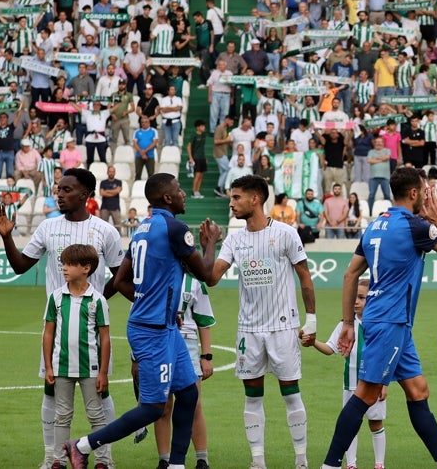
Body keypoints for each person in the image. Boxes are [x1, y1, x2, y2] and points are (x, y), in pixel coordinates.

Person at [62, 173, 218, 469]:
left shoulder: (143, 228)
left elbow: (120, 280)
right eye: (179, 189)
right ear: (167, 198)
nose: (184, 194)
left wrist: (151, 302)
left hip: (163, 326)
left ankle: (176, 464)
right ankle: (81, 445)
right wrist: (210, 243)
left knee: (188, 394)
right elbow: (207, 274)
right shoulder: (175, 228)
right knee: (152, 408)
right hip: (153, 332)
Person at [318, 166, 437, 469]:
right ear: (413, 193)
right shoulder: (417, 227)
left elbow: (350, 274)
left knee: (418, 389)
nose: (426, 196)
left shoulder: (374, 226)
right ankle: (331, 465)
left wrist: (347, 323)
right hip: (391, 320)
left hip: (385, 319)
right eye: (423, 191)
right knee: (365, 395)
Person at [0, 168, 124, 469]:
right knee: (51, 391)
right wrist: (7, 237)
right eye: (58, 189)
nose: (60, 194)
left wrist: (92, 302)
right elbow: (20, 266)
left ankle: (106, 459)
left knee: (100, 395)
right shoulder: (48, 228)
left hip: (92, 330)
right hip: (57, 326)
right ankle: (51, 457)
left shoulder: (106, 231)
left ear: (86, 194)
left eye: (67, 190)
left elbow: (120, 276)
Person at [201, 174, 316, 469]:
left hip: (282, 326)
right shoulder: (235, 239)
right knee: (252, 396)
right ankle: (258, 462)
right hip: (248, 330)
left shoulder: (287, 234)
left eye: (237, 197)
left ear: (256, 199)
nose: (231, 203)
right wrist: (210, 245)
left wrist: (311, 319)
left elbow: (304, 276)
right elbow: (212, 278)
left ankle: (301, 460)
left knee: (291, 393)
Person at [43, 244, 113, 469]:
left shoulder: (98, 300)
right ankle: (59, 459)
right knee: (62, 415)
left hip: (90, 369)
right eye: (63, 263)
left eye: (70, 264)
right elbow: (48, 333)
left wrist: (103, 372)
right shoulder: (56, 297)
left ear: (86, 268)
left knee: (96, 416)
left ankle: (103, 460)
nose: (64, 268)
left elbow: (105, 339)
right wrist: (48, 367)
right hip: (61, 367)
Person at [313, 278, 387, 469]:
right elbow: (330, 348)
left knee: (375, 423)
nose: (355, 301)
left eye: (361, 297)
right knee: (350, 425)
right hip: (350, 385)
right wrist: (313, 342)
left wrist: (385, 383)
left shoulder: (380, 324)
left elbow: (388, 356)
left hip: (374, 384)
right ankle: (351, 464)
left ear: (371, 299)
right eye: (354, 297)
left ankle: (379, 464)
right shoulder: (345, 325)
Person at [148, 270, 216, 469]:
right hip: (159, 344)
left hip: (188, 344)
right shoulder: (153, 274)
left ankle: (202, 459)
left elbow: (204, 321)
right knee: (163, 405)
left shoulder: (195, 282)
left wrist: (207, 356)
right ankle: (164, 459)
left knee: (194, 405)